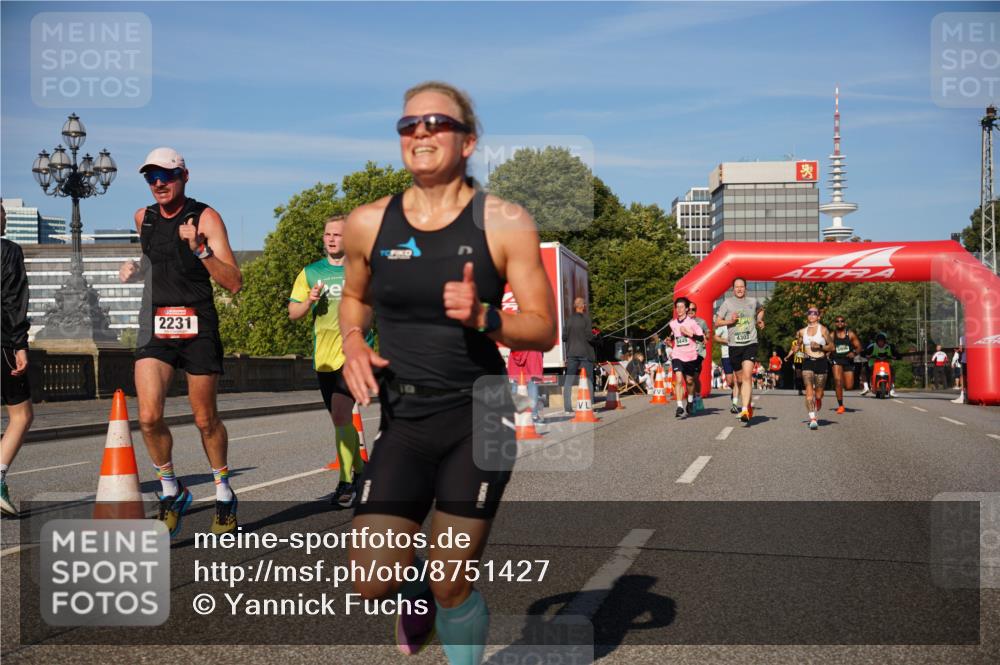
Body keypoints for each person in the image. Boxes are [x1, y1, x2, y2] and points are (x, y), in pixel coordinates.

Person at [338, 81, 556, 664]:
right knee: (371, 580)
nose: (421, 132)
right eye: (409, 125)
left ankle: (447, 615)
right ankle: (417, 597)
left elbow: (543, 326)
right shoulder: (368, 223)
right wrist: (354, 339)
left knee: (452, 579)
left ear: (468, 141)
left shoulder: (505, 222)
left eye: (436, 122)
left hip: (478, 416)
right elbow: (354, 298)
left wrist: (488, 317)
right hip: (404, 418)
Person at [119, 148, 243, 536]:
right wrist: (136, 270)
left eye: (166, 176)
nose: (158, 183)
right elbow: (157, 265)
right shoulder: (144, 218)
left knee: (205, 419)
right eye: (151, 177)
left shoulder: (206, 217)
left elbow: (234, 282)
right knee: (149, 417)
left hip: (197, 323)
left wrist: (201, 249)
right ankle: (172, 490)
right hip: (155, 323)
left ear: (184, 176)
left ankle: (223, 493)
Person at [288, 215, 367, 508]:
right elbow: (293, 313)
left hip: (354, 355)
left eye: (338, 234)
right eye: (328, 234)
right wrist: (308, 301)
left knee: (340, 415)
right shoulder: (310, 272)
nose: (332, 239)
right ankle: (360, 471)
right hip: (324, 358)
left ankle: (346, 482)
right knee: (339, 420)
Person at [1, 202, 33, 518]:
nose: (5, 216)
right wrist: (19, 344)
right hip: (3, 343)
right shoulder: (8, 251)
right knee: (21, 415)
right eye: (1, 210)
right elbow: (13, 300)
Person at [715, 277, 764, 424]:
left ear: (745, 288)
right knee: (740, 379)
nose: (739, 289)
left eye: (742, 286)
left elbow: (761, 310)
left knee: (748, 376)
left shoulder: (752, 301)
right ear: (733, 289)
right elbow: (717, 322)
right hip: (734, 345)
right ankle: (747, 404)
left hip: (750, 343)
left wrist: (760, 319)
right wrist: (730, 321)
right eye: (737, 287)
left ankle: (744, 410)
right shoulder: (727, 303)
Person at [795, 306, 833, 430]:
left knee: (819, 394)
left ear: (818, 316)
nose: (811, 315)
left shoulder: (823, 330)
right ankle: (812, 418)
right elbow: (798, 344)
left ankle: (818, 400)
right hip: (807, 362)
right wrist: (795, 349)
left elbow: (832, 347)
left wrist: (820, 347)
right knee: (808, 390)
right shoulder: (802, 331)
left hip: (821, 362)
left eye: (814, 313)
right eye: (809, 313)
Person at [667, 297, 704, 418]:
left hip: (691, 356)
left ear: (687, 309)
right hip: (677, 355)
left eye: (682, 307)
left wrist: (689, 334)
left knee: (689, 381)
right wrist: (669, 339)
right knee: (678, 380)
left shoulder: (692, 323)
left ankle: (689, 401)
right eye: (677, 307)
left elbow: (701, 338)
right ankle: (679, 406)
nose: (679, 309)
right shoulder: (672, 323)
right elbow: (673, 336)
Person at [562, 297, 596, 412]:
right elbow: (589, 336)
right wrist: (596, 337)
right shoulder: (586, 319)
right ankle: (589, 404)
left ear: (574, 306)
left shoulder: (568, 319)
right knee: (588, 379)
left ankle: (567, 407)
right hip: (585, 352)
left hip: (571, 353)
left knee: (569, 380)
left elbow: (564, 337)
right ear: (583, 306)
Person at [829, 315, 862, 413]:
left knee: (849, 386)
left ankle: (841, 384)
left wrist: (854, 353)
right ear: (835, 323)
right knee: (838, 381)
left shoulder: (850, 334)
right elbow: (827, 346)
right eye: (837, 321)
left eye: (842, 321)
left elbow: (859, 347)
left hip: (848, 360)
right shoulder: (832, 335)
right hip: (836, 359)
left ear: (845, 323)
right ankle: (840, 405)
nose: (840, 323)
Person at [507, 348, 544, 422]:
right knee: (532, 385)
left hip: (516, 354)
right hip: (533, 355)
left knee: (515, 385)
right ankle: (534, 416)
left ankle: (515, 416)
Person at [860, 332, 898, 397]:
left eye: (882, 341)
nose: (881, 342)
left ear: (885, 341)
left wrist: (895, 357)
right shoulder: (872, 346)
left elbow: (897, 354)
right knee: (864, 370)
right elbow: (863, 353)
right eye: (879, 341)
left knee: (893, 371)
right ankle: (866, 387)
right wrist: (867, 356)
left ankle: (892, 389)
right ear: (877, 341)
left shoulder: (889, 347)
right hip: (873, 365)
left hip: (886, 365)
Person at [688, 302, 709, 412]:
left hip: (698, 352)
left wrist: (706, 336)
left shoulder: (701, 322)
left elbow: (708, 333)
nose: (691, 311)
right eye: (689, 309)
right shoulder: (682, 322)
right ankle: (692, 398)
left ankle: (697, 398)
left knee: (694, 376)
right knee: (688, 378)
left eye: (693, 309)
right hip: (686, 353)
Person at [715, 325, 739, 413]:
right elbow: (715, 337)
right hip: (726, 356)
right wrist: (725, 340)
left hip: (737, 355)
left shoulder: (738, 325)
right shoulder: (723, 326)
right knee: (729, 381)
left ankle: (735, 404)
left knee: (736, 380)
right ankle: (735, 390)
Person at [951, 335, 966, 404]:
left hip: (965, 360)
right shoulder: (962, 337)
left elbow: (961, 349)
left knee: (962, 377)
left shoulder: (962, 337)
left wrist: (961, 348)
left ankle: (963, 396)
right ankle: (963, 396)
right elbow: (961, 349)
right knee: (963, 377)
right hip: (965, 360)